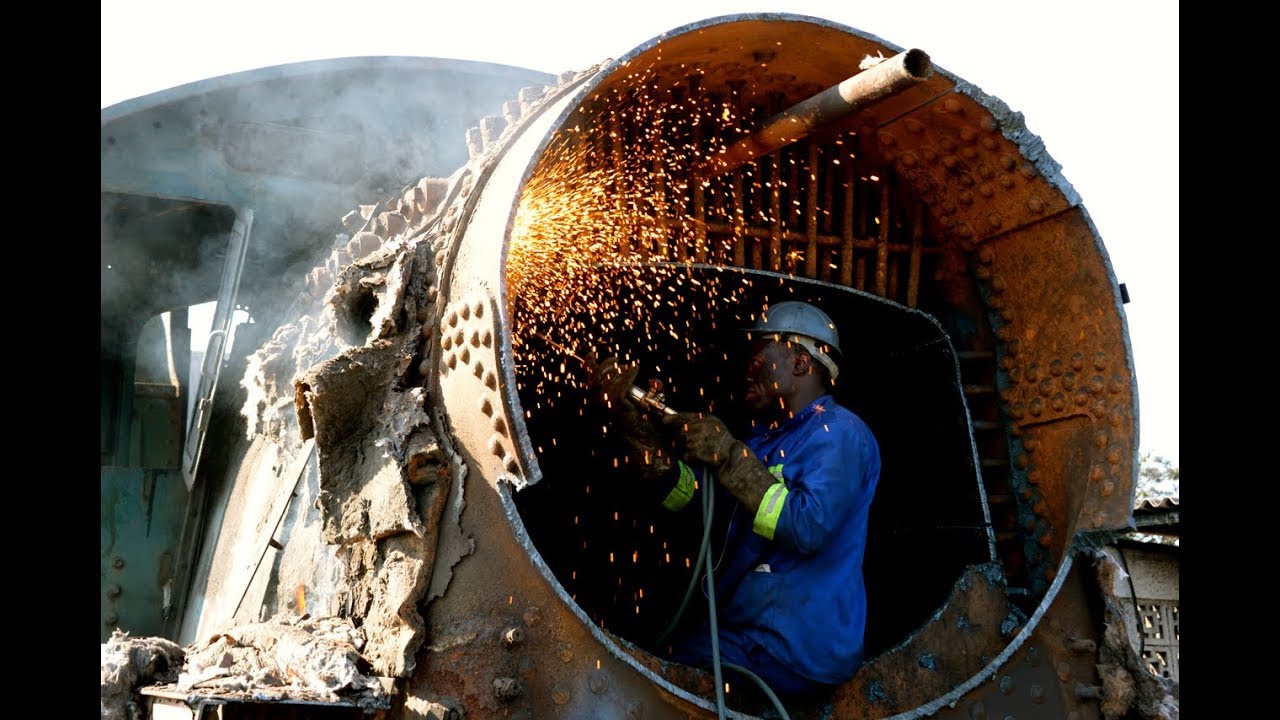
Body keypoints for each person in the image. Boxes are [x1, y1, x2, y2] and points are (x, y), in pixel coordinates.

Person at [585, 300, 881, 698]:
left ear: (800, 362)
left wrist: (728, 455)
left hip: (797, 645)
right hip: (748, 633)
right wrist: (639, 435)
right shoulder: (763, 444)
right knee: (655, 661)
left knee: (653, 680)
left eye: (760, 356)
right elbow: (692, 505)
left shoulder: (839, 432)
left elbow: (806, 527)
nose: (748, 368)